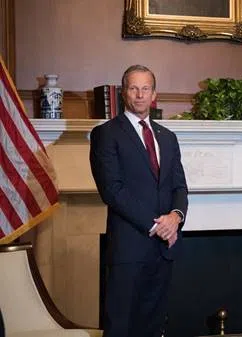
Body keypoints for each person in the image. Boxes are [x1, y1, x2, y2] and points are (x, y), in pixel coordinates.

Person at [89, 65, 188, 337]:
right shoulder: (106, 134)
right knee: (121, 328)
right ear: (124, 93)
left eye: (146, 88)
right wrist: (158, 226)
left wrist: (176, 217)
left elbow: (179, 186)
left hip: (163, 251)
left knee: (153, 327)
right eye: (134, 88)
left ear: (154, 94)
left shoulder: (168, 138)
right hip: (128, 250)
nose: (140, 94)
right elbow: (112, 190)